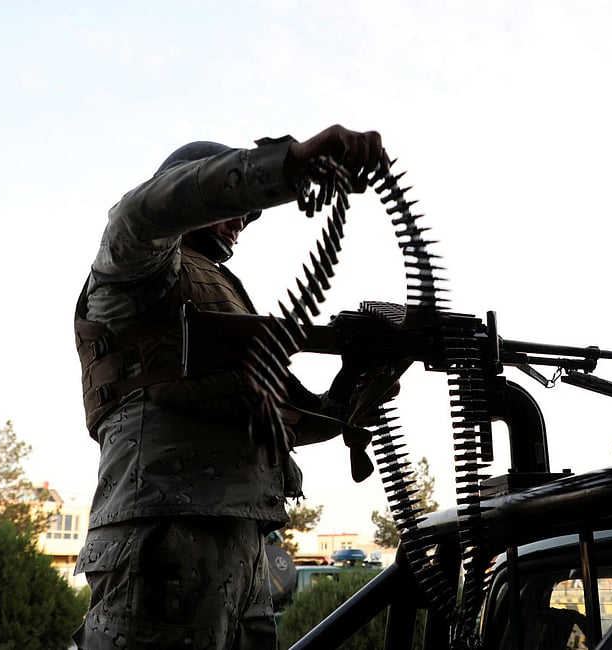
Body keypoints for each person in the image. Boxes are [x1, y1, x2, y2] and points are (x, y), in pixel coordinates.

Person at [72, 125, 390, 649]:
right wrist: (287, 164)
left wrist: (352, 390)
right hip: (160, 541)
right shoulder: (136, 267)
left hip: (244, 546)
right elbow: (140, 214)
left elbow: (277, 420)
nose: (243, 220)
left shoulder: (219, 288)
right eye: (235, 207)